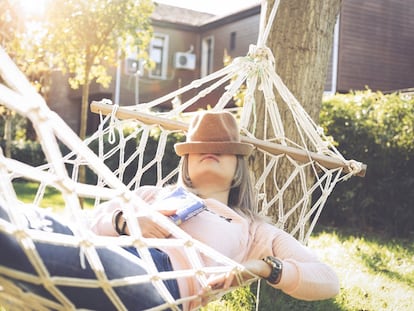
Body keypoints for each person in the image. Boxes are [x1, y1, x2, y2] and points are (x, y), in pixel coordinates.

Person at [90, 110, 340, 310]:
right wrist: (123, 221)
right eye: (199, 147)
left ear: (238, 165)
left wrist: (265, 268)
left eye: (222, 147)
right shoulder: (150, 194)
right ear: (186, 163)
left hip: (162, 286)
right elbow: (81, 224)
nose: (209, 150)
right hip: (108, 256)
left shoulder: (254, 231)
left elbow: (328, 280)